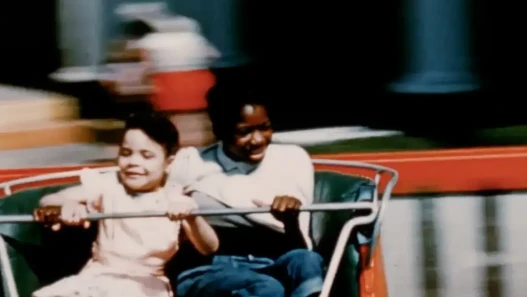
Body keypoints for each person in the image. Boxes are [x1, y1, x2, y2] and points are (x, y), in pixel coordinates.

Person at [31, 112, 219, 297]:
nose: (134, 162)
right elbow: (49, 199)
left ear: (168, 163)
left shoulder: (174, 195)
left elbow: (209, 247)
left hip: (145, 284)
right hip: (97, 276)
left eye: (147, 156)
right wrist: (68, 205)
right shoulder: (110, 184)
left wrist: (192, 217)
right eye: (126, 153)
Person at [169, 85, 324, 297]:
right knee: (268, 289)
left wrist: (289, 220)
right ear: (219, 129)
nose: (258, 139)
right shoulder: (191, 162)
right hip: (210, 267)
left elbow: (301, 246)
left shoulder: (293, 160)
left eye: (265, 127)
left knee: (307, 262)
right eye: (244, 131)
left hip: (274, 260)